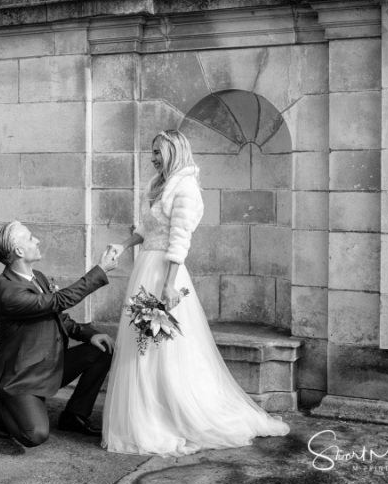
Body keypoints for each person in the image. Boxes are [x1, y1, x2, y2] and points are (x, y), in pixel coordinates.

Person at [102, 130, 290, 456]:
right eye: (152, 152)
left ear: (174, 151)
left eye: (158, 152)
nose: (153, 158)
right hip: (144, 271)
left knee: (165, 349)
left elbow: (179, 240)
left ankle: (170, 416)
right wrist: (124, 244)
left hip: (165, 274)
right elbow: (148, 228)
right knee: (141, 346)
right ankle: (145, 415)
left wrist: (169, 285)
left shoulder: (186, 188)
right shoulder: (158, 185)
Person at [0, 221, 118, 447]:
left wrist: (89, 335)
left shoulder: (36, 275)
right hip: (24, 377)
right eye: (30, 238)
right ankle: (2, 407)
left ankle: (74, 415)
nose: (37, 240)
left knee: (102, 350)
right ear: (19, 251)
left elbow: (57, 315)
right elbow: (59, 300)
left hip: (51, 364)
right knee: (35, 435)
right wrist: (100, 270)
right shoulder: (9, 291)